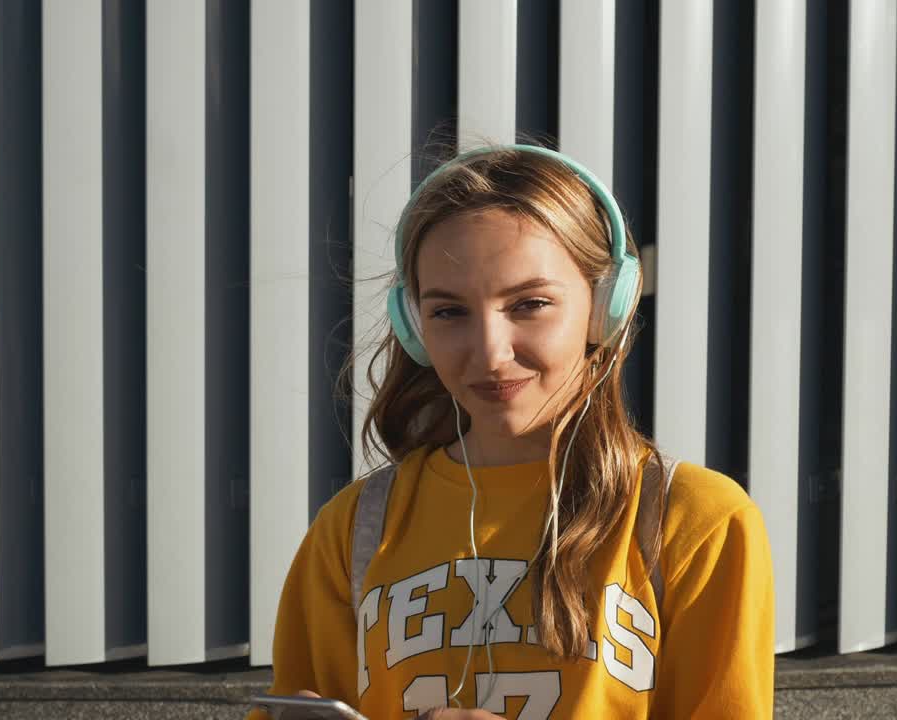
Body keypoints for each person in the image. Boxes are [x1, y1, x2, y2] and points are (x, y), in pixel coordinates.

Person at [248, 144, 774, 719]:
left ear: (606, 308)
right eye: (449, 312)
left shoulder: (698, 523)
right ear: (415, 326)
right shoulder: (352, 532)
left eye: (530, 304)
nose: (491, 354)